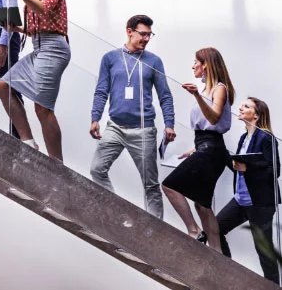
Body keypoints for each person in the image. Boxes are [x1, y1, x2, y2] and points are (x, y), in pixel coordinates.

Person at [89, 15, 176, 219]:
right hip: (115, 127)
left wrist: (169, 124)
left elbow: (165, 95)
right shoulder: (110, 58)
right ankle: (117, 213)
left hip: (143, 130)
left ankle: (156, 232)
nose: (146, 39)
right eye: (143, 34)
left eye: (149, 35)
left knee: (151, 185)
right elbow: (102, 90)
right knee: (96, 169)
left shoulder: (154, 61)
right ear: (129, 31)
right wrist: (95, 118)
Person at [0, 0, 70, 161]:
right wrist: (16, 28)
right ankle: (28, 142)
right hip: (39, 46)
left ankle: (57, 164)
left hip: (53, 48)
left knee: (43, 108)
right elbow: (37, 26)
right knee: (3, 86)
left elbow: (44, 8)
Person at [162, 47, 234, 251]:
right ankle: (217, 253)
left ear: (206, 65)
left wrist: (197, 97)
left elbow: (214, 118)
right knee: (202, 204)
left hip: (212, 151)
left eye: (196, 61)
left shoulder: (219, 88)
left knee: (169, 185)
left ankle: (194, 231)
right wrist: (194, 149)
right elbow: (206, 129)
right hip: (207, 148)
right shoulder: (205, 89)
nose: (193, 65)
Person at [216, 97, 280, 284]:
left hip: (260, 203)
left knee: (264, 251)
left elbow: (275, 169)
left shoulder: (266, 137)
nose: (241, 108)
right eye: (242, 105)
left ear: (257, 115)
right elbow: (238, 166)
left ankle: (273, 287)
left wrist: (248, 168)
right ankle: (229, 271)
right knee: (215, 229)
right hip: (241, 199)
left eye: (246, 106)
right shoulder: (245, 137)